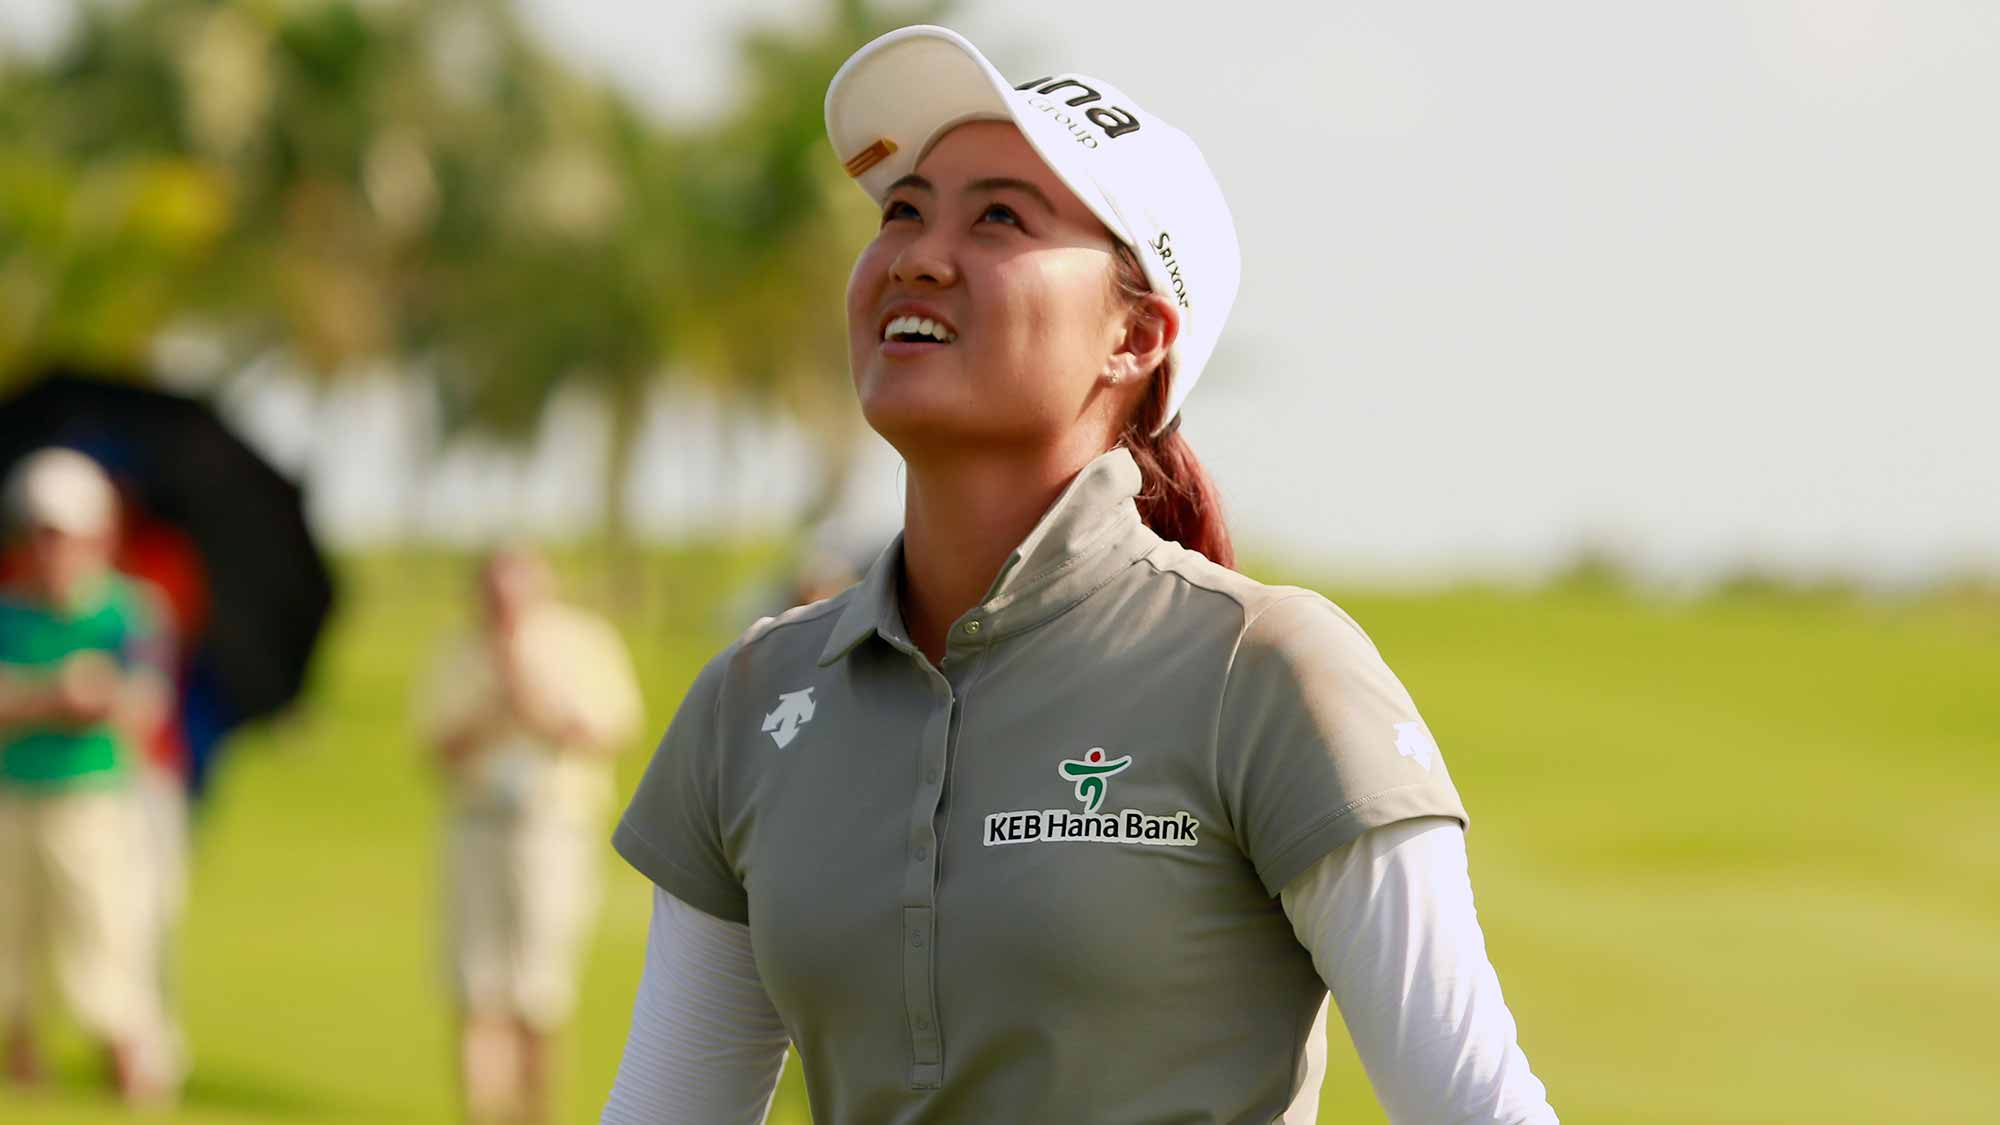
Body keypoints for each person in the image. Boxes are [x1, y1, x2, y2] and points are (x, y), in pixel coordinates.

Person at [604, 25, 1559, 1124]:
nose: (915, 253)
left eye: (999, 217)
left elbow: (1474, 1105)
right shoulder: (754, 700)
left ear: (1135, 335)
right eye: (901, 210)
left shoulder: (1266, 671)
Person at [419, 546, 644, 1125]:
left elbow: (606, 731)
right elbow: (437, 747)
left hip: (551, 831)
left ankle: (537, 1113)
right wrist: (494, 701)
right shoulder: (457, 651)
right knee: (478, 989)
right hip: (475, 826)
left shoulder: (583, 643)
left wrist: (530, 694)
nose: (503, 607)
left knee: (539, 993)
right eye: (492, 594)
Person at [0, 447, 178, 1107]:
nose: (52, 551)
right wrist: (56, 696)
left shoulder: (130, 611)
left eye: (64, 536)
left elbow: (145, 703)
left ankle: (130, 1062)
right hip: (12, 793)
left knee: (106, 936)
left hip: (94, 798)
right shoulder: (8, 614)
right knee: (10, 942)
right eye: (40, 534)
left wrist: (101, 698)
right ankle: (20, 1057)